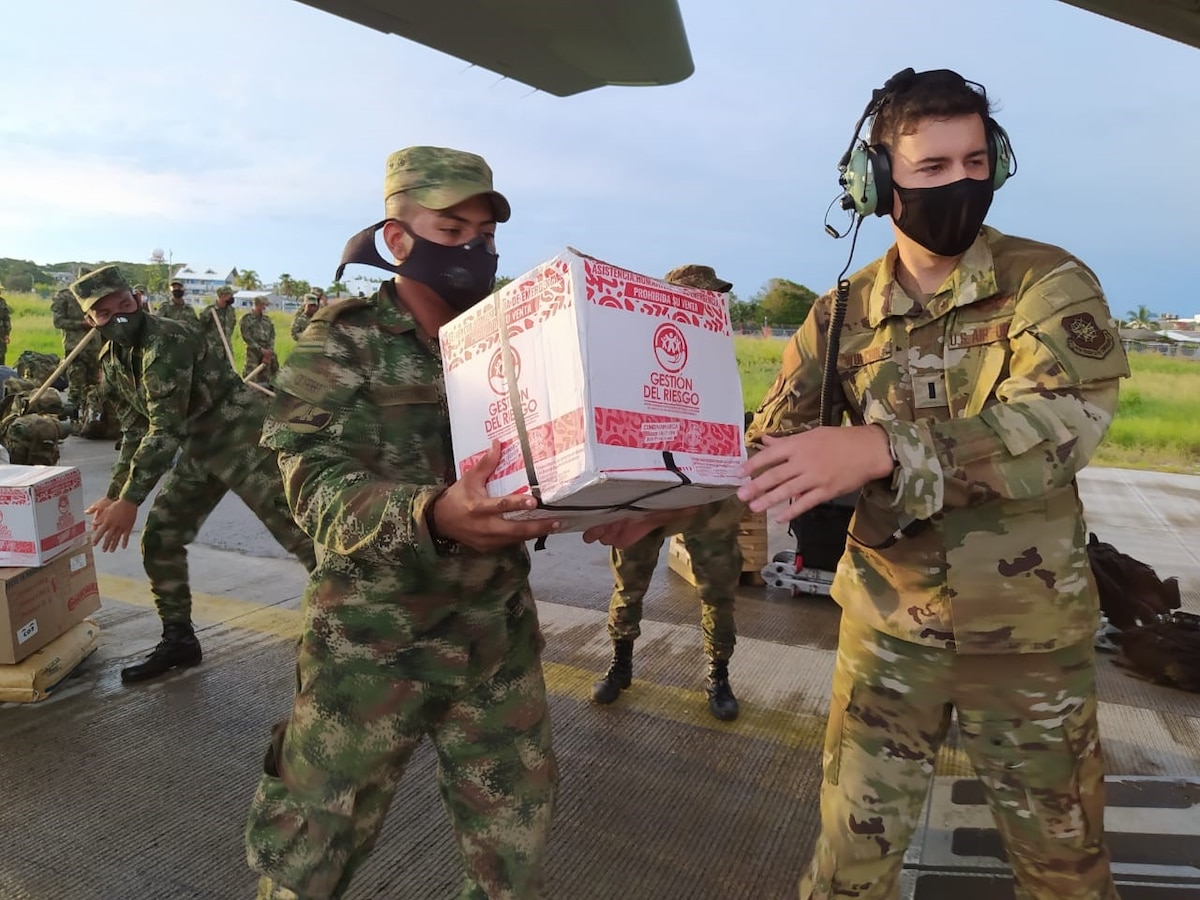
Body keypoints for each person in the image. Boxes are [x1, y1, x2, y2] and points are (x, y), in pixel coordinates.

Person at [738, 68, 1129, 900]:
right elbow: (767, 443)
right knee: (848, 864)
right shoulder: (838, 313)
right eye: (933, 168)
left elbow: (1064, 426)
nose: (961, 184)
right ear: (875, 180)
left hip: (1027, 645)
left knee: (1064, 871)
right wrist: (648, 496)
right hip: (886, 634)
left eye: (976, 162)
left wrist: (883, 448)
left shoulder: (1048, 283)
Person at [244, 144, 647, 900]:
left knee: (513, 850)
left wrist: (618, 500)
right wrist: (431, 512)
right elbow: (311, 487)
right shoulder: (342, 342)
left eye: (485, 234)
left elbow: (563, 447)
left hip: (492, 639)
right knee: (309, 854)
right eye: (451, 228)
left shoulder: (517, 341)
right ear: (398, 239)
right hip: (369, 649)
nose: (474, 249)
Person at [68, 265, 317, 685]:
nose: (120, 317)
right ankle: (179, 639)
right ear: (89, 321)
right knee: (161, 536)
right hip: (199, 449)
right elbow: (135, 429)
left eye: (125, 305)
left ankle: (353, 632)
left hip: (244, 438)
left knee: (303, 538)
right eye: (106, 313)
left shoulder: (165, 338)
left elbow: (165, 428)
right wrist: (114, 494)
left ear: (138, 299)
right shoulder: (111, 359)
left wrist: (131, 500)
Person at [592, 263, 745, 721]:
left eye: (715, 298)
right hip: (647, 491)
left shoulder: (719, 358)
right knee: (629, 585)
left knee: (718, 589)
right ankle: (620, 664)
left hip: (708, 496)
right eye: (704, 296)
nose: (713, 305)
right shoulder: (642, 355)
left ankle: (718, 674)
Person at [50, 286, 100, 416]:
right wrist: (82, 324)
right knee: (76, 386)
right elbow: (58, 322)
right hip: (75, 347)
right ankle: (73, 418)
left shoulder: (97, 294)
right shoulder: (65, 296)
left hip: (95, 347)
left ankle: (90, 419)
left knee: (94, 387)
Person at [240, 295, 277, 385]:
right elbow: (246, 337)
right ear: (258, 305)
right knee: (251, 377)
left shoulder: (267, 320)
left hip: (267, 352)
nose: (265, 307)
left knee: (266, 377)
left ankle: (264, 396)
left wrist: (269, 351)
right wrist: (260, 350)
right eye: (264, 305)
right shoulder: (246, 319)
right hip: (253, 352)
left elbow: (272, 336)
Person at [199, 284, 239, 362]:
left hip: (227, 349)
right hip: (213, 350)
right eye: (229, 295)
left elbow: (232, 326)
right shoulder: (210, 310)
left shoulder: (231, 311)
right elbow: (201, 326)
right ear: (222, 296)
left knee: (229, 371)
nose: (231, 297)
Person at [0, 282, 10, 366]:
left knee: (1, 357)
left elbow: (6, 319)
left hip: (1, 336)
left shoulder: (2, 302)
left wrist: (7, 334)